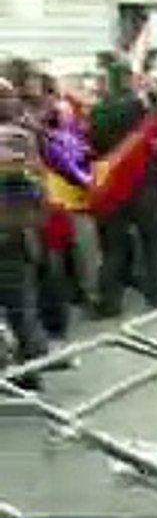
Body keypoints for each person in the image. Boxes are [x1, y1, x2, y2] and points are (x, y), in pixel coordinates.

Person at [88, 60, 157, 317]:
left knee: (114, 247)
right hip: (141, 182)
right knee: (153, 240)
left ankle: (110, 301)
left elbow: (93, 143)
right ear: (127, 79)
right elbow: (155, 136)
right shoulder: (140, 106)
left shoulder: (97, 111)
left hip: (111, 185)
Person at [0, 78, 49, 388]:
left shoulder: (20, 137)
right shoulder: (19, 138)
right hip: (14, 236)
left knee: (21, 309)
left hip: (13, 235)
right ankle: (29, 370)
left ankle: (28, 368)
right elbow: (35, 188)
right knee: (21, 308)